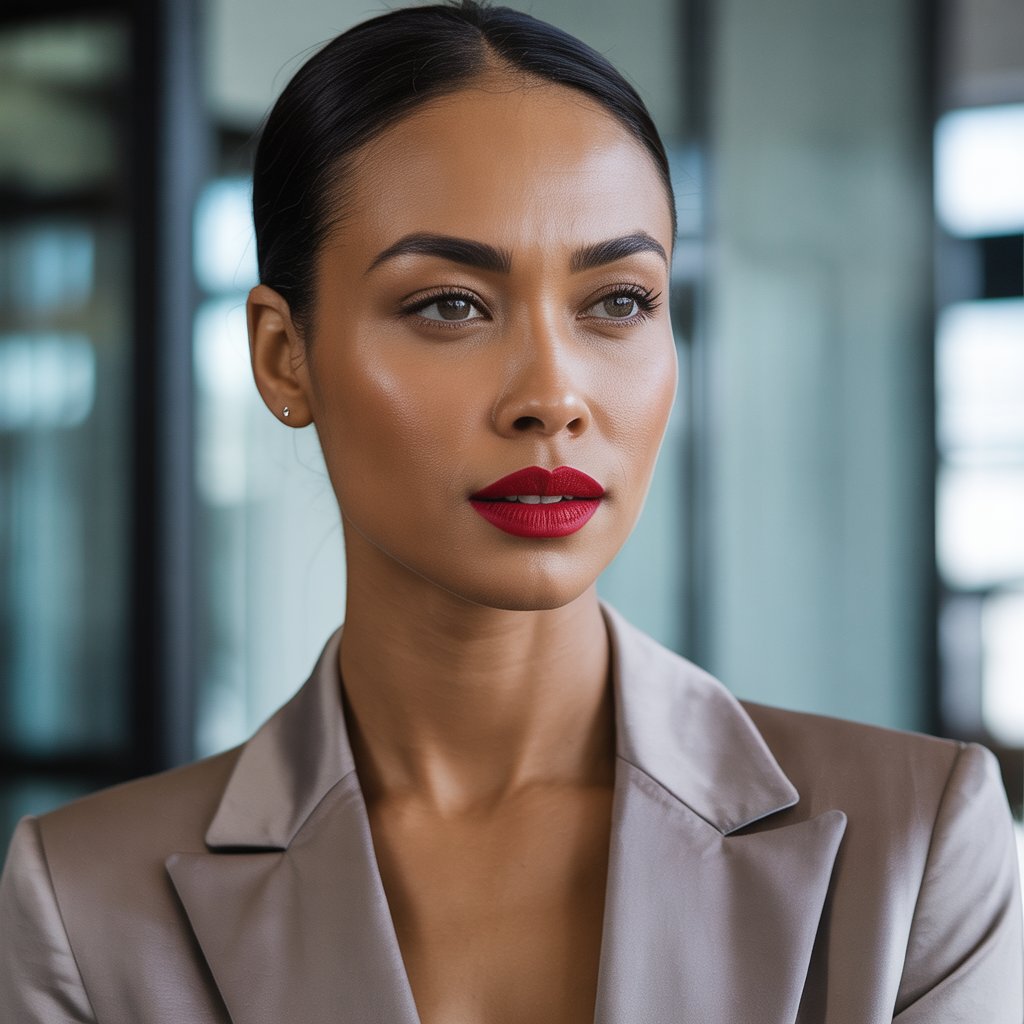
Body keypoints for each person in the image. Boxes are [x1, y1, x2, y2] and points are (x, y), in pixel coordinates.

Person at [1, 2, 1021, 1021]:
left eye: (618, 301)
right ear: (282, 356)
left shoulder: (914, 848)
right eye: (450, 304)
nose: (551, 396)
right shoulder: (86, 905)